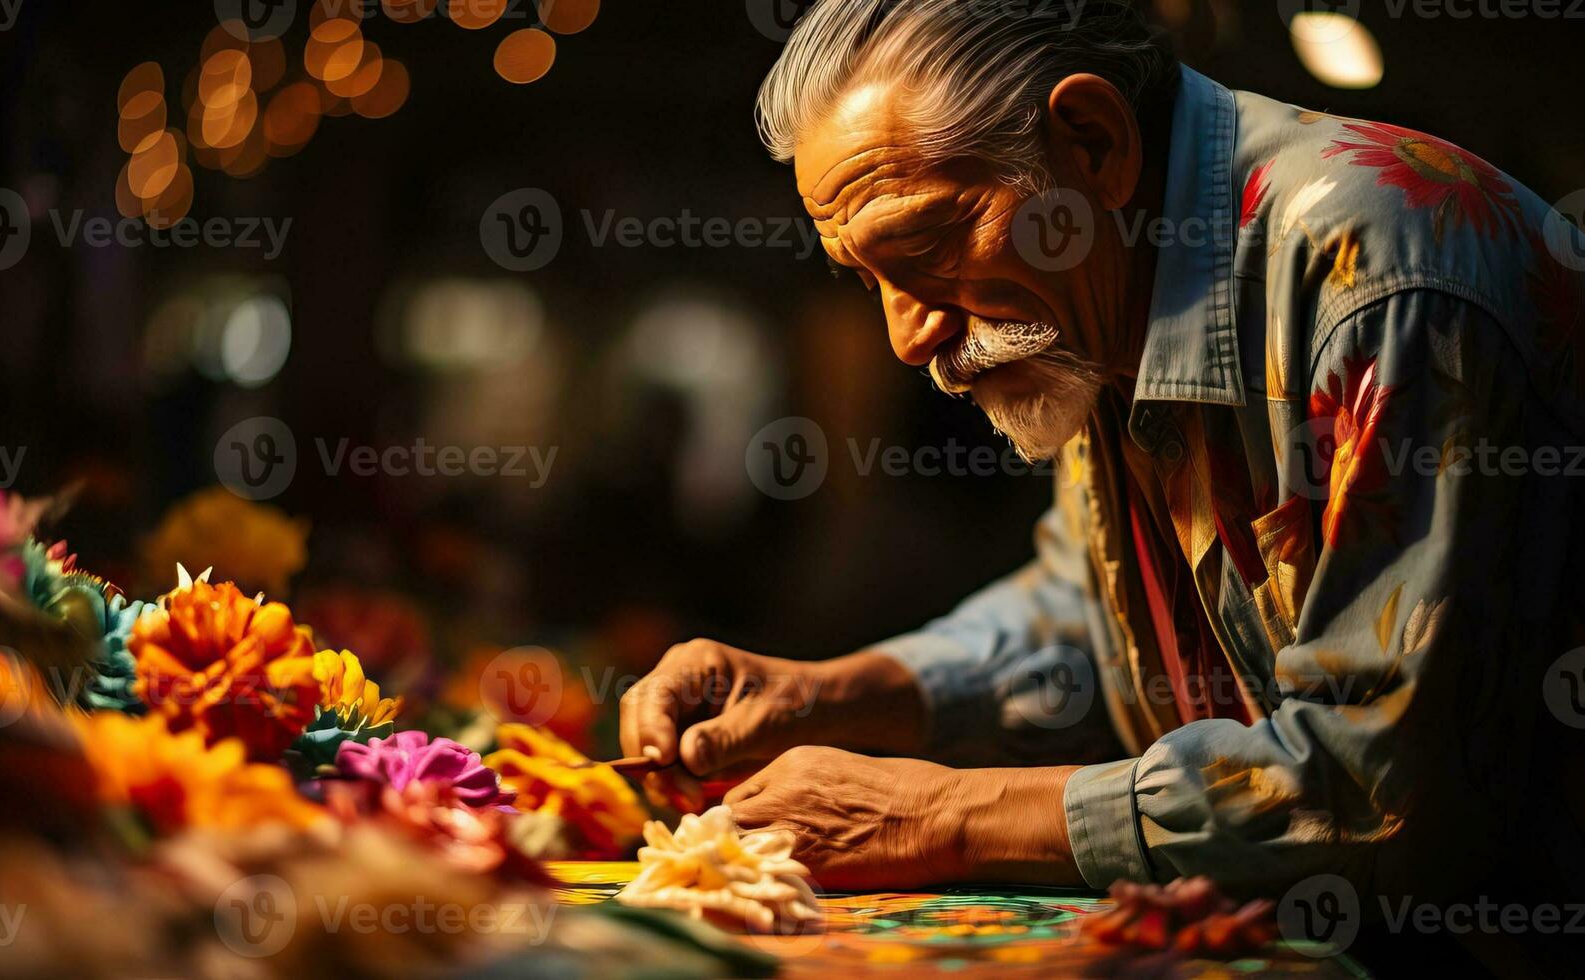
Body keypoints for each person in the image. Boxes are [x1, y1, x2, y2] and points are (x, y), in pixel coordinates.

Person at [620, 0, 1585, 924]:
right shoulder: (1098, 277)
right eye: (866, 276)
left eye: (924, 243)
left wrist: (938, 814)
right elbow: (1088, 606)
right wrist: (827, 693)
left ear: (1092, 142)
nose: (907, 339)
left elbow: (1379, 792)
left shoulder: (1375, 276)